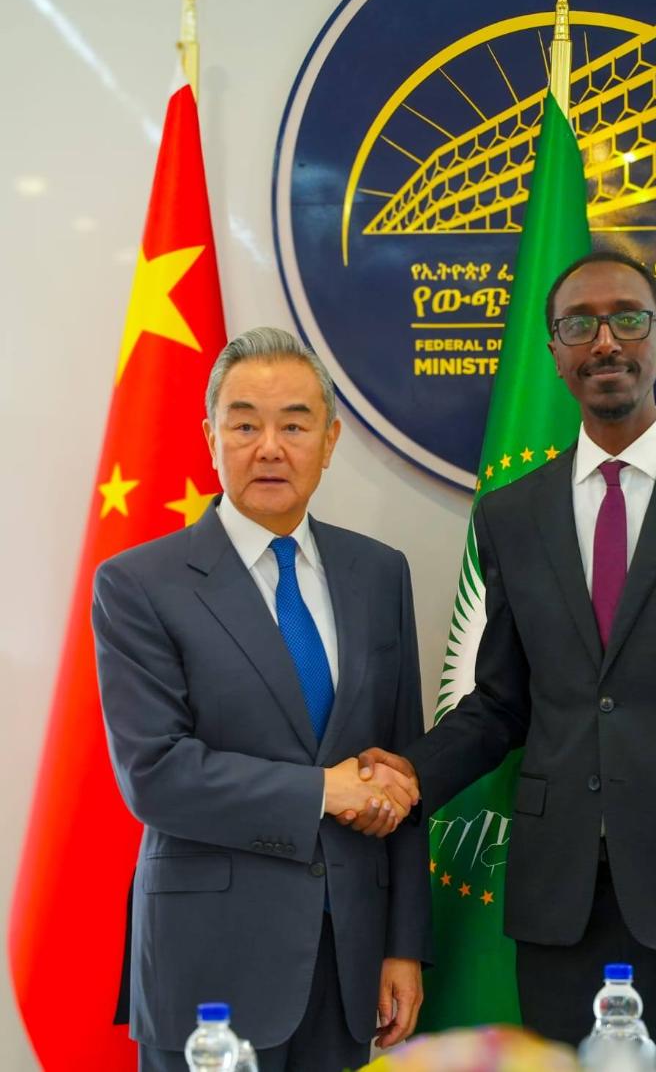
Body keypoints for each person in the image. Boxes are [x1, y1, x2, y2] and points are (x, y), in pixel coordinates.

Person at [352, 253, 656, 1061]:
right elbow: (502, 703)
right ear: (555, 352)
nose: (605, 341)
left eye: (627, 318)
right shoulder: (512, 515)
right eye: (580, 325)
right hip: (560, 905)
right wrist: (408, 772)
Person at [93, 327, 431, 1072]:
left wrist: (402, 944)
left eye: (295, 425)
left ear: (330, 440)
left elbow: (401, 767)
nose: (270, 447)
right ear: (211, 438)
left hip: (348, 961)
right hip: (208, 964)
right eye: (245, 425)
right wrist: (323, 790)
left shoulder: (379, 574)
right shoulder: (139, 584)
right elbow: (155, 774)